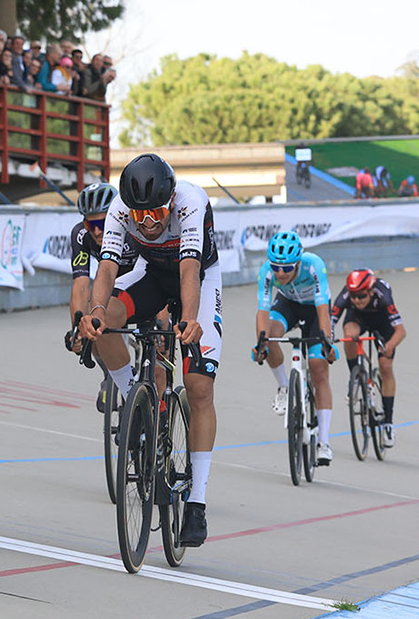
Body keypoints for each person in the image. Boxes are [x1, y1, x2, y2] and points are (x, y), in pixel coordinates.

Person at [79, 153, 221, 548]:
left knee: (198, 387)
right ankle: (133, 400)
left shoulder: (191, 200)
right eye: (140, 216)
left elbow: (190, 269)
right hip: (152, 274)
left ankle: (196, 503)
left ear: (171, 200)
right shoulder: (120, 210)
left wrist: (190, 320)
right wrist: (92, 312)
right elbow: (106, 269)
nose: (149, 222)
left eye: (156, 212)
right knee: (104, 319)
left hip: (199, 281)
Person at [251, 232, 335, 463]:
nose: (281, 273)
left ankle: (324, 443)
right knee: (269, 338)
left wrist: (327, 341)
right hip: (288, 305)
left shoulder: (314, 265)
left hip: (316, 311)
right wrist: (261, 342)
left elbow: (322, 306)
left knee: (319, 369)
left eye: (287, 268)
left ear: (298, 262)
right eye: (276, 267)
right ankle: (285, 388)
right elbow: (263, 310)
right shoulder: (267, 272)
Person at [66, 182, 139, 410]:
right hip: (109, 288)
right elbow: (80, 283)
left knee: (159, 359)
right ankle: (110, 373)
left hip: (141, 287)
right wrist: (77, 328)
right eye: (90, 224)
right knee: (92, 326)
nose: (96, 231)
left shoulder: (134, 228)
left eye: (101, 223)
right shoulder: (81, 235)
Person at [333, 270, 405, 447]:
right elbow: (330, 320)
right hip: (358, 320)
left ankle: (387, 423)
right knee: (349, 335)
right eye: (353, 296)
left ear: (371, 291)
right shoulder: (346, 295)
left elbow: (401, 331)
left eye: (361, 296)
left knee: (385, 366)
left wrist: (389, 347)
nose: (356, 300)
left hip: (383, 324)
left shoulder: (383, 295)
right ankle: (356, 378)